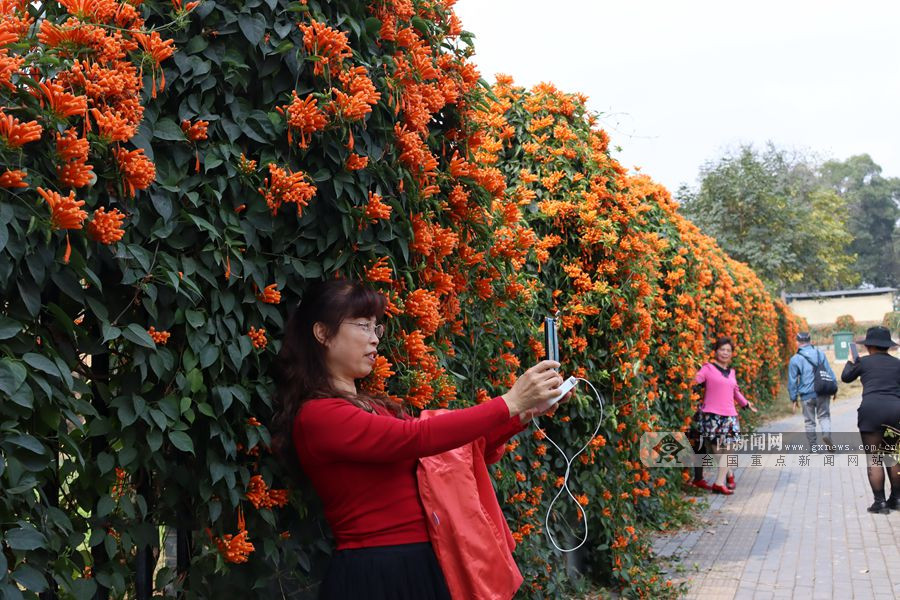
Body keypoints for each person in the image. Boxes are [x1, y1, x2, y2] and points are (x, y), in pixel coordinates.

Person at [269, 279, 568, 599]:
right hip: (377, 574)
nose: (374, 339)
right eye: (363, 325)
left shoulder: (374, 407)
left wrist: (525, 412)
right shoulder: (319, 416)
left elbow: (450, 451)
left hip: (418, 563)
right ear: (323, 333)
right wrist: (509, 403)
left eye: (376, 328)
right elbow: (417, 438)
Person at [840, 325, 900, 514]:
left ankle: (880, 503)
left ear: (869, 346)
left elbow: (846, 378)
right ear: (887, 346)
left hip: (871, 411)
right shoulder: (898, 364)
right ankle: (897, 500)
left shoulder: (863, 362)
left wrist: (851, 361)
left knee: (874, 458)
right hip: (895, 411)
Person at [691, 337, 757, 495]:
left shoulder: (732, 372)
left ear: (732, 354)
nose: (725, 353)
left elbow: (735, 391)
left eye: (728, 350)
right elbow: (696, 380)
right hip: (712, 415)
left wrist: (746, 404)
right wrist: (690, 379)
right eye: (722, 349)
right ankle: (728, 474)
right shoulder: (708, 368)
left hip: (730, 415)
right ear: (716, 351)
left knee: (729, 448)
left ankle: (719, 482)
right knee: (718, 451)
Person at [788, 332, 837, 450]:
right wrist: (834, 388)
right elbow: (829, 372)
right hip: (822, 392)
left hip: (806, 395)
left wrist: (793, 398)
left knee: (809, 422)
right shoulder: (820, 354)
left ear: (797, 342)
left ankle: (813, 447)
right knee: (824, 416)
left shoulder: (795, 359)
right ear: (810, 341)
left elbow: (792, 381)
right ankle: (826, 434)